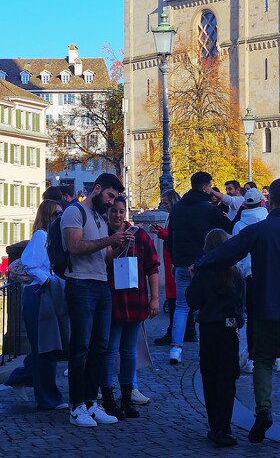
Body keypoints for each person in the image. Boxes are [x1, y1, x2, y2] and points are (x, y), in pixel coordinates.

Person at [192, 178, 280, 448]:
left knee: (263, 362)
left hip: (265, 309)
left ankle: (264, 410)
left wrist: (201, 263)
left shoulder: (260, 229)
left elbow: (227, 253)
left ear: (270, 200)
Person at [61, 172, 129, 427]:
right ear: (97, 189)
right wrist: (110, 239)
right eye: (110, 196)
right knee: (81, 348)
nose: (112, 202)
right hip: (80, 284)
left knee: (100, 347)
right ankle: (76, 405)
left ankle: (91, 402)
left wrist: (120, 245)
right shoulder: (74, 212)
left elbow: (105, 257)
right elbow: (75, 247)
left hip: (100, 285)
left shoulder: (100, 218)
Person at [101, 196, 160, 420]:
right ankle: (107, 395)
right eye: (114, 211)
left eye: (121, 211)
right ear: (108, 213)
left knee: (128, 350)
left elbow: (152, 268)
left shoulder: (140, 235)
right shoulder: (103, 236)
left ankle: (126, 396)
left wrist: (154, 298)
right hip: (112, 300)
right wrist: (117, 247)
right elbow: (103, 262)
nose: (118, 215)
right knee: (110, 349)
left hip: (134, 300)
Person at [186, 228, 245, 447]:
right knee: (227, 379)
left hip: (210, 329)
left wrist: (193, 279)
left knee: (210, 377)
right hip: (229, 329)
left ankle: (215, 425)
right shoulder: (236, 273)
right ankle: (225, 425)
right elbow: (241, 305)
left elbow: (194, 301)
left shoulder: (203, 271)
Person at [167, 170, 232, 365]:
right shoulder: (209, 209)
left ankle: (175, 349)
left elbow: (171, 237)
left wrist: (174, 260)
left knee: (181, 306)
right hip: (203, 264)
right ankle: (209, 347)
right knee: (207, 305)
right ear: (205, 187)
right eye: (210, 186)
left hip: (181, 263)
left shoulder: (177, 208)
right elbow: (229, 228)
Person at [19, 199, 68, 411]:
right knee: (44, 347)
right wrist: (46, 279)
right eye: (56, 214)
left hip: (46, 293)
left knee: (46, 347)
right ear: (47, 216)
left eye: (61, 214)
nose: (59, 217)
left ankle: (40, 391)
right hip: (39, 294)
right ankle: (47, 397)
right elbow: (28, 263)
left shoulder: (52, 238)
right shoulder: (42, 236)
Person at [150, 191, 197, 345]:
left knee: (175, 296)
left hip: (174, 258)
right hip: (173, 256)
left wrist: (160, 233)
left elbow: (173, 235)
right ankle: (188, 330)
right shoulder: (175, 215)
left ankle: (176, 332)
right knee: (181, 296)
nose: (164, 206)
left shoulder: (176, 215)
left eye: (166, 203)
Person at [231, 187, 268, 374]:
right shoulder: (268, 220)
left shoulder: (239, 225)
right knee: (272, 315)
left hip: (249, 274)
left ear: (245, 204)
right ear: (262, 202)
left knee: (252, 317)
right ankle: (279, 357)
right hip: (270, 273)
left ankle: (253, 358)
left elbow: (235, 253)